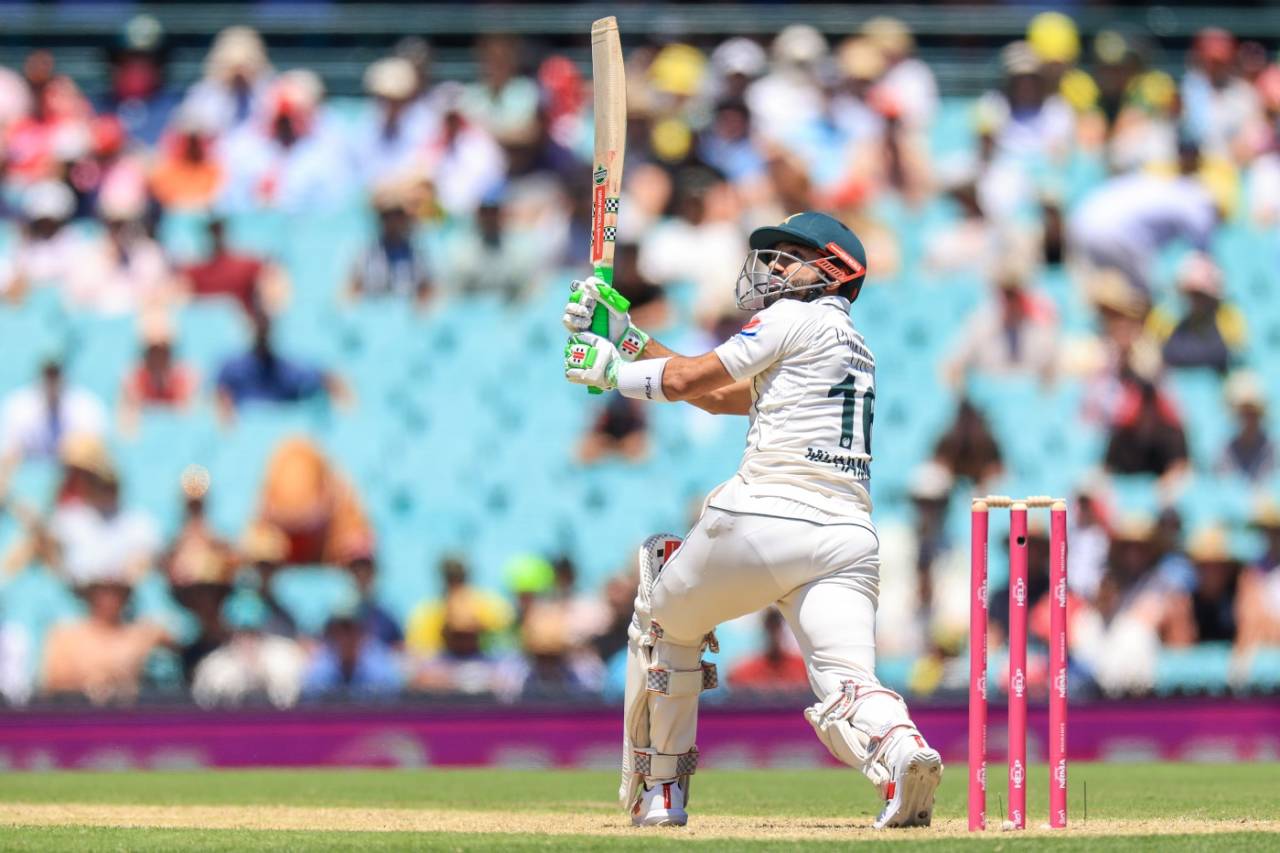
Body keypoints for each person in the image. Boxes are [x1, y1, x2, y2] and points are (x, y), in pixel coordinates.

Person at [562, 211, 941, 828]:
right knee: (847, 675)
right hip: (847, 536)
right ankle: (904, 755)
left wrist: (609, 372)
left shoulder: (790, 317)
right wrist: (627, 338)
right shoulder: (852, 346)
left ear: (833, 268)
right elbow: (715, 394)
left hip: (764, 515)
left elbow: (689, 378)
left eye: (790, 255)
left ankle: (662, 790)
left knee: (663, 616)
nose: (773, 266)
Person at [215, 305, 347, 422]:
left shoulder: (287, 370)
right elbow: (220, 399)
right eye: (258, 328)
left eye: (264, 328)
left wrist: (340, 394)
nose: (261, 333)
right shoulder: (231, 369)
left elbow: (325, 378)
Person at [727, 607, 809, 692]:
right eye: (770, 627)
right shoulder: (744, 672)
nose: (774, 633)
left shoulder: (804, 668)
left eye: (777, 626)